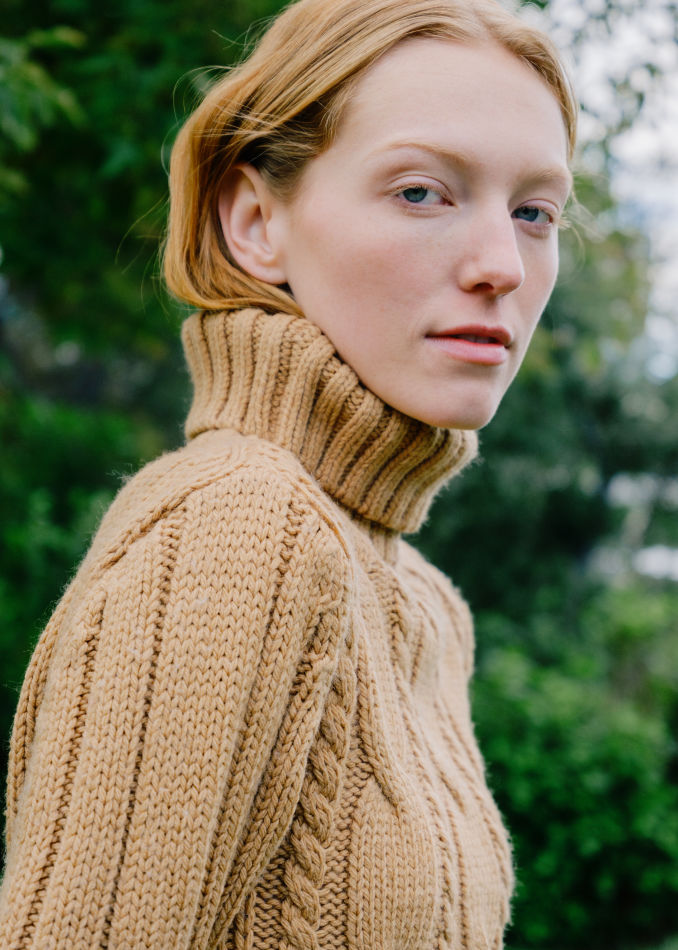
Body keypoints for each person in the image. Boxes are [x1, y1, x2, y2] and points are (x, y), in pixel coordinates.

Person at [0, 0, 576, 946]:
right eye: (422, 193)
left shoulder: (423, 601)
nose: (502, 265)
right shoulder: (236, 524)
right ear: (255, 221)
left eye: (533, 213)